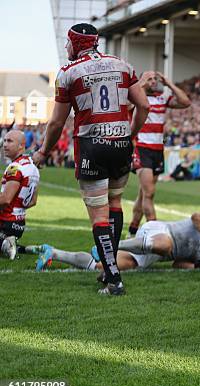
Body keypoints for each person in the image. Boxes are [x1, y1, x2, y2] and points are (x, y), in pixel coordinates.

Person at [32, 23, 150, 295]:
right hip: (121, 145)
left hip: (91, 146)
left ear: (76, 43)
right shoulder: (123, 65)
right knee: (116, 203)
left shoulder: (68, 73)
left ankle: (114, 278)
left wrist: (43, 152)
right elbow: (143, 105)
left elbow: (56, 123)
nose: (66, 47)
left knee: (98, 214)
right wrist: (130, 133)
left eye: (68, 43)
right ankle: (110, 269)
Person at [34, 212, 200, 273]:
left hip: (155, 252)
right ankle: (112, 244)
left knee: (103, 266)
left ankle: (53, 253)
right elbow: (196, 218)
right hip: (159, 232)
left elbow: (178, 264)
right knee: (165, 245)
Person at [127, 71, 191, 237]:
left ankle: (133, 230)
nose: (153, 81)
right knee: (149, 193)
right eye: (150, 78)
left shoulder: (162, 97)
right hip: (141, 148)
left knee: (143, 192)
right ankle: (153, 233)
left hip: (157, 150)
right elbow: (124, 105)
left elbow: (185, 102)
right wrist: (141, 83)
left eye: (155, 78)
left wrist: (169, 84)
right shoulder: (135, 97)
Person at [0, 130, 40, 259]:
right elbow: (33, 201)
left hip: (5, 222)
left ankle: (6, 244)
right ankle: (20, 248)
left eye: (10, 141)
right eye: (4, 140)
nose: (5, 144)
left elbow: (5, 200)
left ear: (21, 146)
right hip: (19, 224)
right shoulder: (32, 166)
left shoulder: (15, 168)